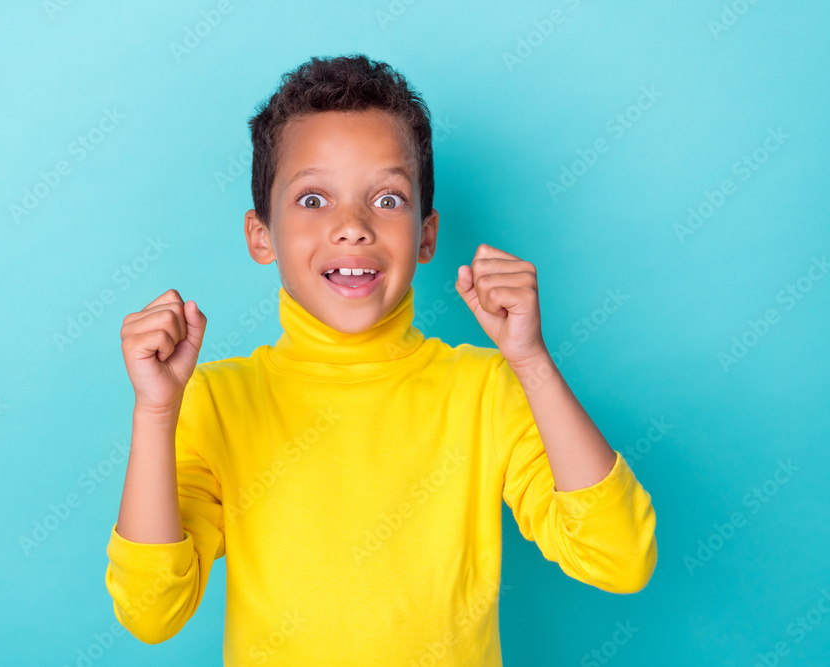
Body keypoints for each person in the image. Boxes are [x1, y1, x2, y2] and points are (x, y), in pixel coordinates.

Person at [104, 53, 657, 666]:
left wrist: (530, 362)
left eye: (388, 199)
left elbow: (619, 558)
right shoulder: (214, 401)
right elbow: (151, 613)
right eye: (314, 199)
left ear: (426, 235)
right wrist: (155, 413)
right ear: (262, 236)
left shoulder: (484, 391)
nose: (353, 227)